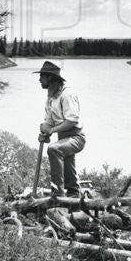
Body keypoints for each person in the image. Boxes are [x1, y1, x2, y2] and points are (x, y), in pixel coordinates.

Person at [36, 60, 85, 197]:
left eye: (42, 76)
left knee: (54, 149)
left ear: (50, 78)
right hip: (63, 137)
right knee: (68, 164)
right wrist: (45, 133)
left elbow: (71, 120)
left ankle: (57, 194)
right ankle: (73, 194)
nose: (39, 80)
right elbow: (49, 122)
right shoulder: (50, 97)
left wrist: (51, 130)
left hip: (76, 137)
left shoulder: (67, 94)